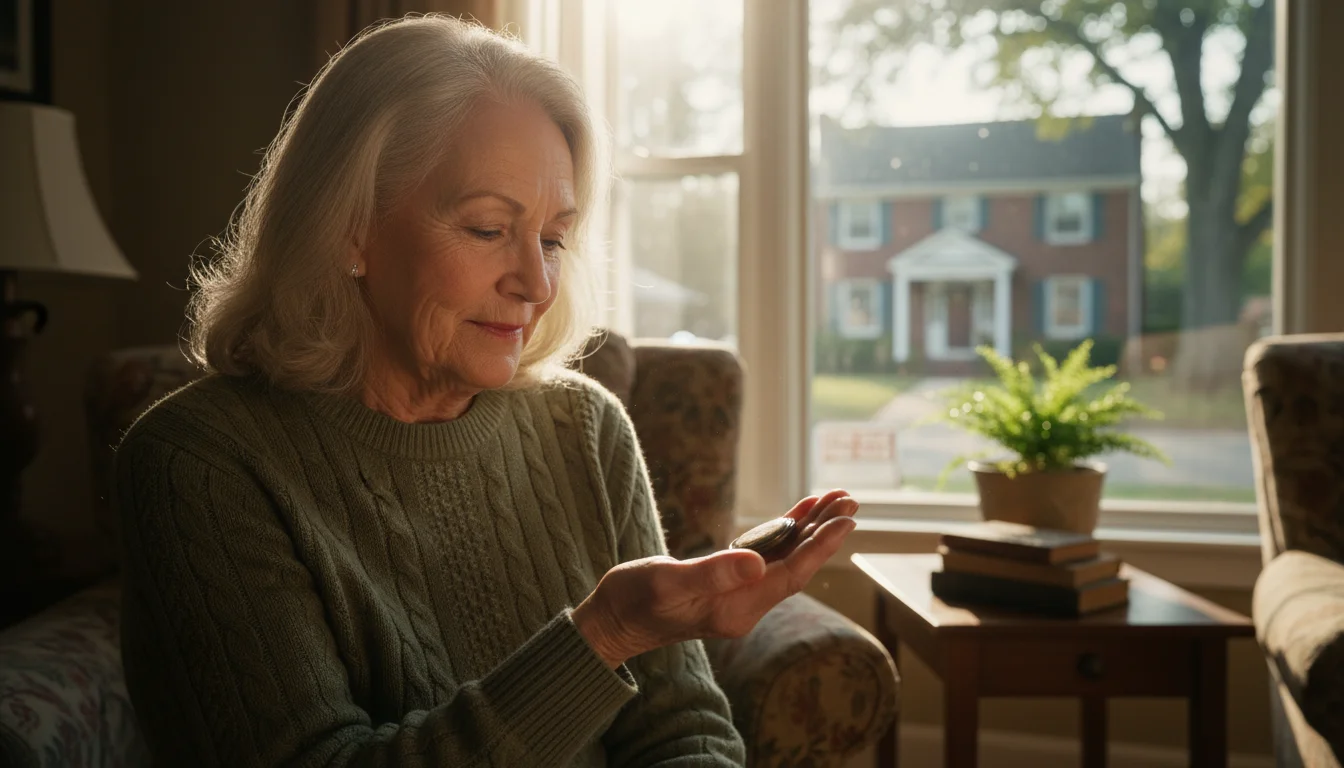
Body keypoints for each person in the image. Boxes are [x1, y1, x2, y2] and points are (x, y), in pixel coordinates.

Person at [115, 14, 858, 768]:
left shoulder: (586, 426)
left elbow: (684, 732)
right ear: (350, 230)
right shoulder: (201, 464)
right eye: (485, 228)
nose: (535, 283)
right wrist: (603, 637)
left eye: (553, 237)